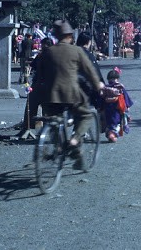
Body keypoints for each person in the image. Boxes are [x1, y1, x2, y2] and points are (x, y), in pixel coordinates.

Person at [35, 20, 104, 170]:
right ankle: (74, 139)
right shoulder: (76, 51)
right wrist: (98, 85)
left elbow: (39, 73)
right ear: (70, 36)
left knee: (54, 119)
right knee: (85, 115)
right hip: (71, 93)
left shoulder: (47, 52)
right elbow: (90, 71)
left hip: (49, 96)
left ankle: (58, 146)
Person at [102, 67, 133, 142]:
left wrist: (99, 107)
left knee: (108, 122)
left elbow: (101, 98)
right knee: (117, 122)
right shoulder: (119, 87)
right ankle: (112, 135)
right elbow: (125, 97)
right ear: (117, 78)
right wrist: (127, 106)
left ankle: (110, 134)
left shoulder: (105, 87)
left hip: (107, 108)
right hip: (117, 107)